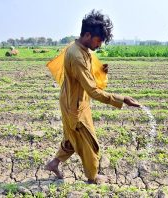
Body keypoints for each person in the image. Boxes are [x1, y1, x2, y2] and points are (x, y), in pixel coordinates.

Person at [45, 10, 140, 184]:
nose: (100, 44)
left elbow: (84, 76)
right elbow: (93, 91)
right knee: (90, 142)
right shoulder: (76, 55)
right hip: (75, 106)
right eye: (98, 40)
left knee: (73, 138)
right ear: (87, 35)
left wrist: (99, 71)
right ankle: (93, 176)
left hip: (73, 101)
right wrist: (122, 99)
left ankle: (54, 163)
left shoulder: (81, 49)